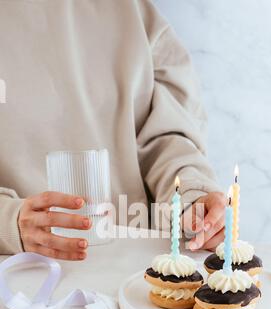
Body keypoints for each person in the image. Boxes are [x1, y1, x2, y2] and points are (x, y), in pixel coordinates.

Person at [0, 0, 225, 261]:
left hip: (133, 273)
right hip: (17, 277)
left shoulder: (131, 12)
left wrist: (192, 200)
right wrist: (10, 223)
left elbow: (168, 137)